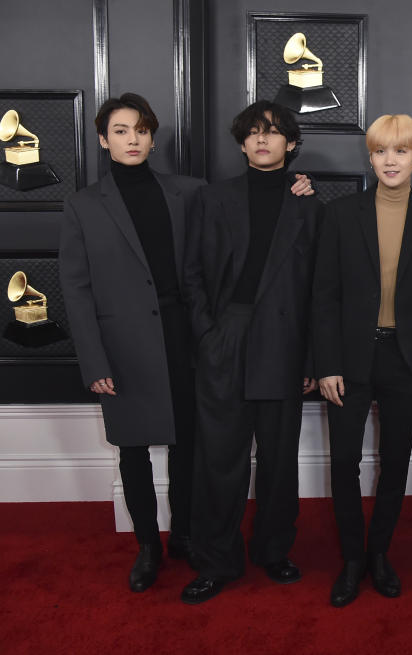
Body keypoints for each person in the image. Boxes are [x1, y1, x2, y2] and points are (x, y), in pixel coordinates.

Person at [59, 93, 204, 592]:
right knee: (133, 449)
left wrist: (295, 188)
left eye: (140, 129)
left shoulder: (189, 192)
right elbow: (75, 289)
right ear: (103, 140)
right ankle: (148, 545)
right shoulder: (81, 205)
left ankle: (184, 534)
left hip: (182, 337)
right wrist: (93, 359)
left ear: (152, 135)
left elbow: (240, 218)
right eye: (120, 131)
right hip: (121, 346)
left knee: (189, 444)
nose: (133, 139)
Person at [180, 100, 322, 604]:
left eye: (274, 132)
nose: (264, 139)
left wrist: (310, 361)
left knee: (280, 461)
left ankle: (274, 551)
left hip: (285, 344)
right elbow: (191, 274)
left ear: (290, 143)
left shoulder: (309, 205)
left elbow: (317, 293)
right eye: (254, 133)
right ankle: (216, 559)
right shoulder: (213, 199)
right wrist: (208, 334)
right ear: (242, 143)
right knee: (219, 458)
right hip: (227, 336)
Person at [315, 114, 412, 608]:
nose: (389, 160)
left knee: (395, 463)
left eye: (400, 151)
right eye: (380, 151)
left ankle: (380, 554)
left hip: (405, 359)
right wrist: (327, 362)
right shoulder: (340, 215)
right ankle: (353, 558)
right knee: (345, 463)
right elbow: (324, 296)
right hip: (349, 360)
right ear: (370, 157)